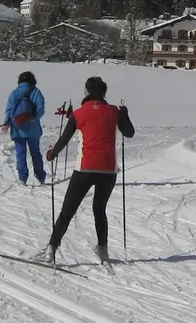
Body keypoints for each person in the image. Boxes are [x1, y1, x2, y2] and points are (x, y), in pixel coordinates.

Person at [32, 76, 135, 264]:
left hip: (85, 169)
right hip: (108, 170)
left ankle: (51, 250)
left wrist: (52, 154)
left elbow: (64, 139)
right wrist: (125, 114)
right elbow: (129, 133)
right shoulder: (114, 111)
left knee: (68, 211)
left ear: (86, 92)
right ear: (104, 92)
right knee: (99, 209)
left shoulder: (78, 114)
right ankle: (102, 250)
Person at [3, 71, 47, 186]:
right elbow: (41, 108)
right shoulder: (36, 92)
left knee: (20, 153)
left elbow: (9, 110)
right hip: (33, 129)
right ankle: (41, 177)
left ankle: (22, 178)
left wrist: (6, 123)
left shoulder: (15, 93)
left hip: (18, 128)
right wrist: (34, 117)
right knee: (36, 153)